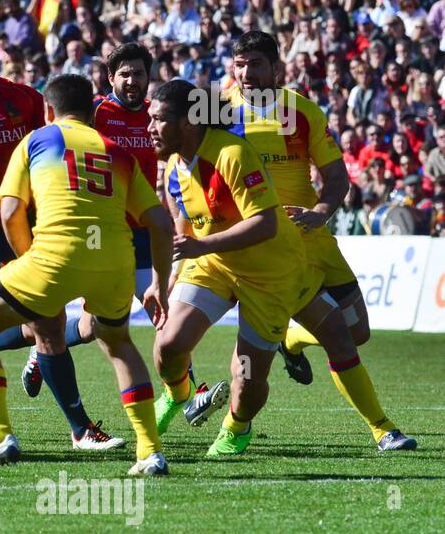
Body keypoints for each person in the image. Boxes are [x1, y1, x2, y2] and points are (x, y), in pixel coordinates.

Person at [149, 76, 417, 455]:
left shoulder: (232, 154)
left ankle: (236, 426)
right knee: (169, 344)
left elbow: (265, 223)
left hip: (272, 272)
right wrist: (168, 276)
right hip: (213, 264)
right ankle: (179, 392)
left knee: (248, 377)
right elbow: (184, 220)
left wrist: (199, 245)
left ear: (187, 123)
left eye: (158, 119)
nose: (150, 129)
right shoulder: (176, 165)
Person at [0, 74, 175, 475]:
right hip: (114, 260)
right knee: (119, 342)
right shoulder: (118, 151)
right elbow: (160, 223)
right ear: (92, 113)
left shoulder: (38, 140)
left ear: (49, 111)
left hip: (55, 255)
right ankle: (150, 452)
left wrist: (28, 260)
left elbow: (8, 211)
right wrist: (159, 282)